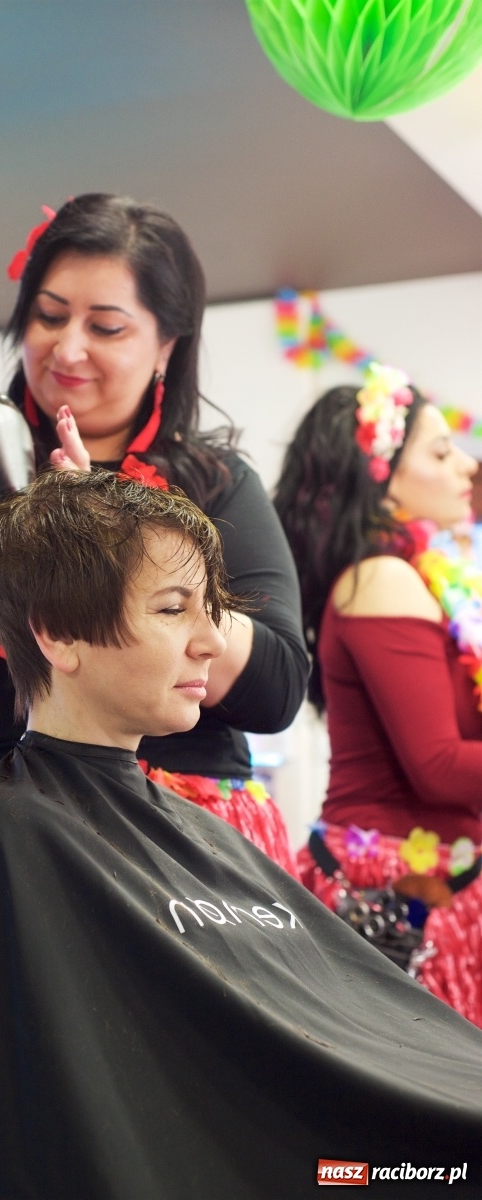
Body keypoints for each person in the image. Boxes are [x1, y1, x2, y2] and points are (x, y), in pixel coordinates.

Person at [0, 470, 482, 1200]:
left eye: (209, 610)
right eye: (174, 609)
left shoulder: (195, 834)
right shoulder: (6, 843)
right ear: (57, 634)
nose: (210, 642)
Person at [0, 194, 308, 919]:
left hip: (171, 854)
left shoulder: (216, 484)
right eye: (49, 316)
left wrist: (114, 540)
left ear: (167, 345)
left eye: (105, 326)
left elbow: (276, 689)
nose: (66, 348)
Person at [274, 363, 482, 1025]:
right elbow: (441, 766)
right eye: (442, 452)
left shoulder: (412, 574)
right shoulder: (383, 578)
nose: (466, 468)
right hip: (399, 893)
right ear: (382, 482)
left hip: (433, 880)